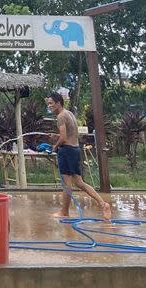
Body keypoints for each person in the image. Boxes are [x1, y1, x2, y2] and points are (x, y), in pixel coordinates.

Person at [47, 92, 112, 221]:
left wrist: (55, 146)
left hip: (66, 151)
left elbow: (64, 138)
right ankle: (103, 204)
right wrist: (57, 136)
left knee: (67, 184)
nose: (49, 106)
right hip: (75, 150)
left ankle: (65, 212)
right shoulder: (69, 114)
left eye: (51, 103)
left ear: (58, 103)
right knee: (79, 182)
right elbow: (71, 135)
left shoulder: (60, 116)